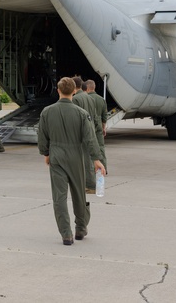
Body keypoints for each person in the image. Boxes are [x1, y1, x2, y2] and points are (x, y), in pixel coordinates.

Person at [38, 77, 106, 246]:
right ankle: (81, 229)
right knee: (79, 194)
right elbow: (90, 138)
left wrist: (46, 153)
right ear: (74, 91)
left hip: (56, 156)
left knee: (59, 197)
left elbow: (42, 136)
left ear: (58, 90)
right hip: (76, 156)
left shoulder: (47, 112)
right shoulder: (81, 114)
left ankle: (66, 234)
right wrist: (96, 159)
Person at [70, 75, 96, 191]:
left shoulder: (75, 99)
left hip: (81, 133)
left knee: (82, 160)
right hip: (90, 130)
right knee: (89, 159)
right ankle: (90, 184)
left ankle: (88, 185)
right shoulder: (90, 98)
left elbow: (74, 118)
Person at [85, 79, 108, 172]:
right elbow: (104, 116)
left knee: (89, 147)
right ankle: (103, 168)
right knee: (100, 147)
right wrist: (103, 127)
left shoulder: (85, 99)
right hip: (98, 125)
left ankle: (91, 168)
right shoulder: (101, 99)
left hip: (88, 124)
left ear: (87, 88)